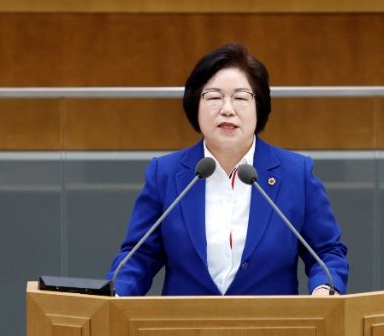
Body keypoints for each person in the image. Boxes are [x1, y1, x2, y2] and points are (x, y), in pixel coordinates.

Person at [106, 43, 348, 296]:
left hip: (270, 320)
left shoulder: (295, 173)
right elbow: (139, 256)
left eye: (241, 98)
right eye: (213, 97)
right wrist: (117, 293)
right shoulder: (165, 173)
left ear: (259, 106)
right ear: (195, 105)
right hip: (186, 320)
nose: (227, 109)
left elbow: (327, 252)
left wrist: (325, 288)